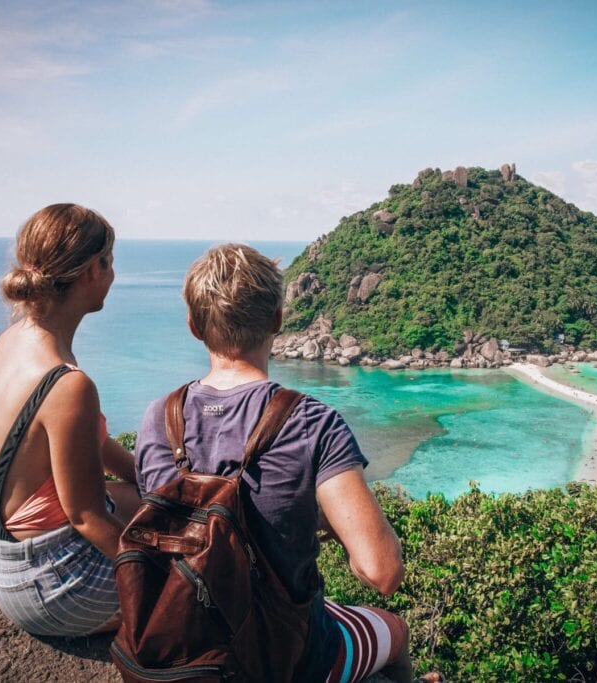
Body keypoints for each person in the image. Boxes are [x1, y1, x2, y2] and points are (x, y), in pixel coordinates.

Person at [135, 244, 439, 683]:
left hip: (182, 638)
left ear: (194, 327)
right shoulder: (312, 422)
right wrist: (330, 527)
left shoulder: (159, 416)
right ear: (278, 320)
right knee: (396, 629)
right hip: (285, 656)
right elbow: (382, 571)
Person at [0, 203, 141, 637]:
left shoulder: (12, 342)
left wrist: (166, 482)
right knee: (203, 579)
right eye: (109, 263)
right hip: (54, 588)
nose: (112, 275)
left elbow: (94, 445)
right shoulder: (69, 384)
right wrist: (158, 571)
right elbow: (87, 516)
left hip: (10, 562)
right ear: (91, 271)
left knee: (160, 505)